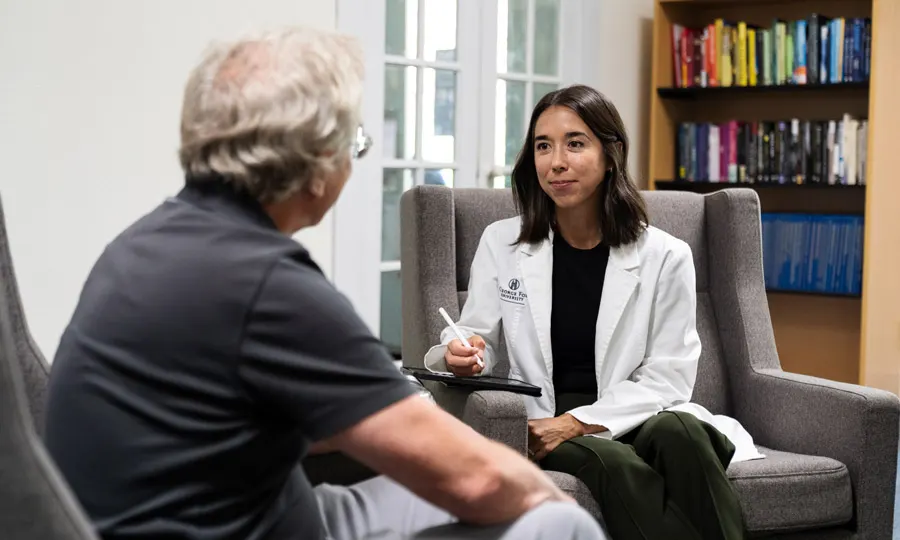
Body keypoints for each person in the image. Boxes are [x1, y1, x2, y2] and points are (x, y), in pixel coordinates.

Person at [43, 28, 608, 540]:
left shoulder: (143, 243)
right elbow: (476, 482)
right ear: (316, 163)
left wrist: (367, 404)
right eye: (353, 141)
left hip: (216, 509)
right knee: (557, 519)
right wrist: (539, 491)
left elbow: (220, 419)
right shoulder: (268, 284)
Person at [424, 84, 765, 540]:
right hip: (543, 416)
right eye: (543, 146)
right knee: (613, 460)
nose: (556, 161)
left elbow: (670, 376)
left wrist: (576, 422)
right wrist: (457, 353)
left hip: (632, 412)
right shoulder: (502, 243)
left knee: (685, 432)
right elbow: (469, 333)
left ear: (611, 156)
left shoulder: (667, 255)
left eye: (575, 143)